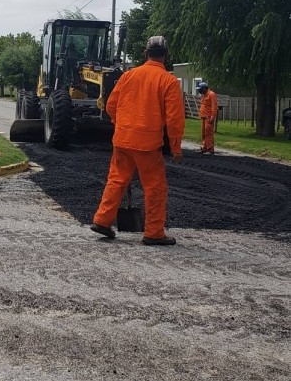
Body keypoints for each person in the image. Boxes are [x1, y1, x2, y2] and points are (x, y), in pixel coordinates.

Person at [91, 35, 185, 246]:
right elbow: (174, 118)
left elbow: (111, 106)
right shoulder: (168, 81)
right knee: (155, 187)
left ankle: (102, 221)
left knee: (116, 180)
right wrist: (176, 147)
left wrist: (122, 124)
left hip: (122, 140)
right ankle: (153, 233)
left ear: (145, 54)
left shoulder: (128, 76)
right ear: (166, 56)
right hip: (148, 144)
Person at [197, 82, 218, 155]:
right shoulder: (204, 95)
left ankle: (210, 149)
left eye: (200, 89)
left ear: (204, 88)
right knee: (204, 133)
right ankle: (205, 148)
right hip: (203, 117)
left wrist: (213, 116)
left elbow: (214, 107)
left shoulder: (211, 94)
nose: (199, 91)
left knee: (208, 134)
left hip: (208, 117)